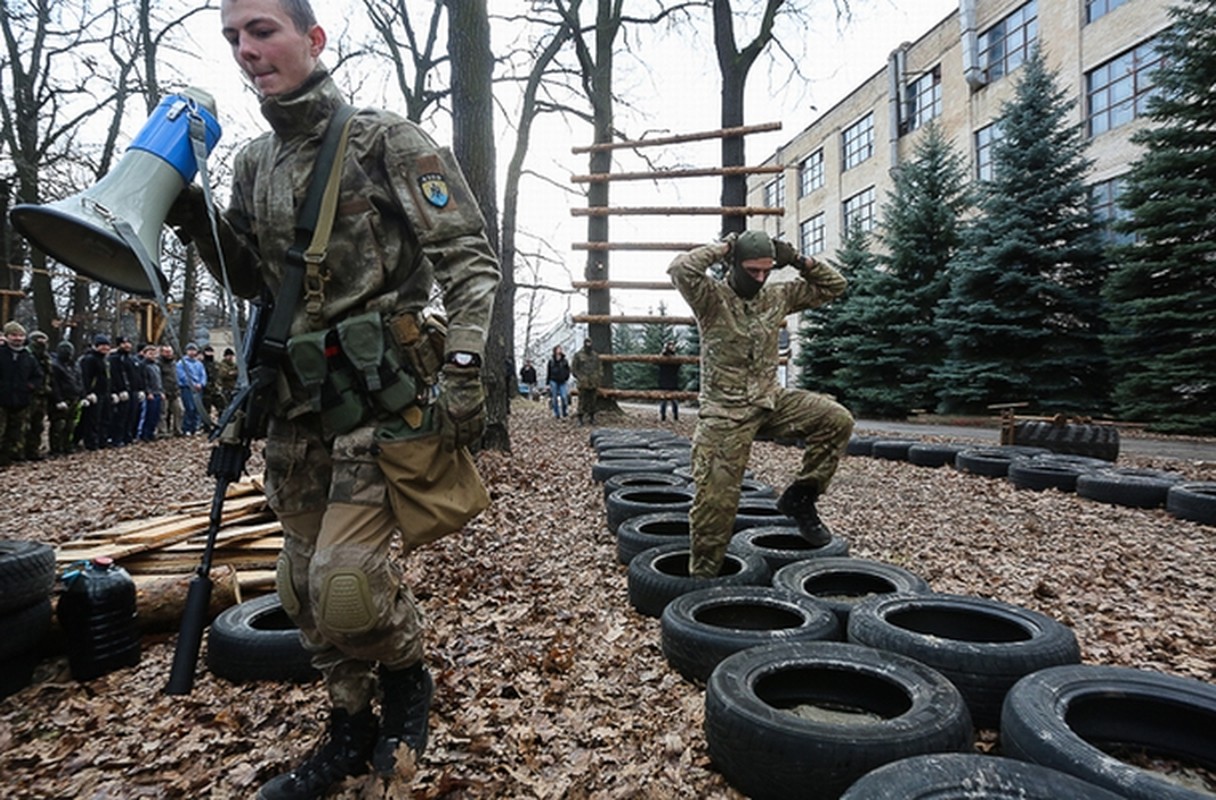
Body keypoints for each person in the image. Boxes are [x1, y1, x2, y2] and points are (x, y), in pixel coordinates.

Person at [164, 1, 501, 796]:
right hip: (293, 409)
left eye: (262, 30)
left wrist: (461, 373)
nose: (246, 50)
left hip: (380, 409)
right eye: (233, 38)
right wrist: (191, 216)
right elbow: (256, 283)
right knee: (300, 592)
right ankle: (348, 723)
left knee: (345, 586)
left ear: (313, 39)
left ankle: (407, 679)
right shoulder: (253, 162)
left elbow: (470, 261)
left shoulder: (388, 141)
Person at [668, 230, 854, 578]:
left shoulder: (777, 296)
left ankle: (800, 498)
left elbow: (835, 286)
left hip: (771, 401)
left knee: (836, 419)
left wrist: (798, 260)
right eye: (753, 270)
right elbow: (680, 269)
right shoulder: (711, 297)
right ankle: (703, 581)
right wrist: (723, 248)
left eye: (767, 270)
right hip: (726, 412)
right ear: (735, 264)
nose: (761, 277)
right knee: (716, 504)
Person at [0, 321, 42, 467]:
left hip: (22, 399)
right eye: (14, 335)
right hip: (2, 399)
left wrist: (30, 386)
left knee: (18, 430)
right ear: (7, 337)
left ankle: (14, 456)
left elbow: (38, 376)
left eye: (21, 335)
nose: (18, 338)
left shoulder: (28, 356)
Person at [76, 334, 112, 451]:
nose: (105, 348)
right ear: (96, 346)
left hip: (104, 393)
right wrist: (88, 393)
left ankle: (102, 440)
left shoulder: (104, 359)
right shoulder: (89, 359)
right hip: (94, 394)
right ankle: (91, 442)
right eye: (102, 345)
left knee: (104, 418)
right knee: (92, 419)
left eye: (107, 345)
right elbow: (85, 377)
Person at [49, 340, 83, 456]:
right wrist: (58, 400)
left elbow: (79, 380)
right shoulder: (55, 365)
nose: (68, 352)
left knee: (71, 425)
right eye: (65, 350)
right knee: (59, 425)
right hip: (62, 399)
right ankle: (56, 448)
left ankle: (67, 445)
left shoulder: (74, 365)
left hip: (74, 397)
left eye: (69, 350)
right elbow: (54, 384)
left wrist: (81, 394)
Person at [23, 330, 52, 460]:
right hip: (29, 394)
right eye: (39, 341)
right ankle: (21, 451)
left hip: (42, 394)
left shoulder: (45, 357)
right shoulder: (27, 355)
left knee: (38, 425)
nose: (42, 343)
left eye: (44, 341)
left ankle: (33, 450)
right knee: (25, 424)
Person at [177, 343, 207, 435]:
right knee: (189, 408)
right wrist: (192, 384)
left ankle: (196, 427)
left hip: (198, 389)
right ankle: (187, 428)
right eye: (190, 350)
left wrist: (201, 384)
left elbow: (203, 375)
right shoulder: (181, 363)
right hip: (187, 388)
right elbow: (182, 376)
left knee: (198, 408)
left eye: (194, 350)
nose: (192, 352)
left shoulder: (199, 364)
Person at [570, 338, 602, 426]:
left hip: (593, 382)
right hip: (583, 382)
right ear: (584, 344)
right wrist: (580, 377)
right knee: (582, 401)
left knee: (593, 401)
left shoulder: (595, 355)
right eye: (587, 342)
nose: (588, 344)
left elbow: (599, 368)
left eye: (590, 342)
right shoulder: (578, 355)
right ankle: (580, 418)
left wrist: (598, 377)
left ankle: (592, 417)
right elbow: (574, 368)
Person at [137, 344, 164, 442]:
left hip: (157, 391)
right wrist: (148, 392)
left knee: (155, 415)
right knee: (148, 414)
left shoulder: (156, 366)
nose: (152, 355)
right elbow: (144, 380)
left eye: (154, 353)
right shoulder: (143, 365)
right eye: (150, 353)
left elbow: (159, 380)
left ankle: (151, 432)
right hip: (150, 393)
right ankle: (144, 434)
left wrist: (161, 391)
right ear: (145, 354)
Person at [158, 344, 184, 438]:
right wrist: (161, 390)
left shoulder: (173, 363)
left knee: (180, 410)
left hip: (175, 391)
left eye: (170, 351)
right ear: (162, 352)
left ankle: (178, 429)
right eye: (166, 352)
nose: (169, 354)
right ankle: (163, 431)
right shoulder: (159, 363)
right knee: (163, 413)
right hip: (164, 390)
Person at [657, 340, 681, 422]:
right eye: (671, 346)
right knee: (665, 401)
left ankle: (675, 416)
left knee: (673, 401)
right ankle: (664, 416)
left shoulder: (673, 357)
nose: (673, 347)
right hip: (667, 381)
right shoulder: (664, 357)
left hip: (671, 381)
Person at [545, 345, 570, 419]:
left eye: (560, 349)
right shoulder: (551, 361)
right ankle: (557, 413)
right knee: (554, 398)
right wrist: (547, 384)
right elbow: (548, 372)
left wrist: (566, 377)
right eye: (558, 349)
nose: (560, 350)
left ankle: (564, 411)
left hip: (562, 381)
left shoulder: (564, 361)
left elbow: (567, 370)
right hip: (553, 381)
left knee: (564, 397)